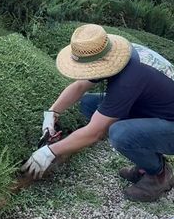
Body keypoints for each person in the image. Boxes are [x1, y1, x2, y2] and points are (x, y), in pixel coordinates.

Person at [22, 24, 174, 202]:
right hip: (158, 110)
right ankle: (146, 158)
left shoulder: (128, 80)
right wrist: (52, 113)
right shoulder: (118, 55)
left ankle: (159, 174)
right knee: (88, 104)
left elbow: (95, 132)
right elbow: (79, 86)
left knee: (120, 133)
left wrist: (49, 152)